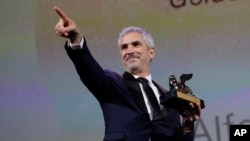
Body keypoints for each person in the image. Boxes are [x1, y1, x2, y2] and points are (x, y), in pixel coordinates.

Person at [54, 6, 201, 141]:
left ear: (151, 52)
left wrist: (186, 126)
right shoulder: (111, 84)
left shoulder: (168, 98)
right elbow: (88, 69)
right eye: (124, 47)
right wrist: (75, 39)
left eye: (136, 44)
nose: (129, 51)